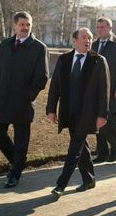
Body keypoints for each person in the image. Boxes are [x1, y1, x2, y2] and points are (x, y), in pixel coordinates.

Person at [0, 11, 49, 189]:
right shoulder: (5, 45)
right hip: (2, 99)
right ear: (14, 26)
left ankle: (15, 174)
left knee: (21, 141)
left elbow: (41, 78)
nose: (25, 28)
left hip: (23, 103)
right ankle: (17, 162)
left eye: (28, 25)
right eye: (22, 24)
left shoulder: (39, 48)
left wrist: (28, 97)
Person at [46, 28, 110, 197]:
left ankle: (61, 184)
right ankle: (89, 179)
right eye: (84, 38)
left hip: (88, 113)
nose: (88, 41)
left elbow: (104, 90)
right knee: (81, 146)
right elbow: (55, 87)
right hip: (69, 112)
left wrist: (102, 115)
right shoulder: (64, 59)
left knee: (74, 149)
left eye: (90, 38)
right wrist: (51, 109)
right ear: (75, 40)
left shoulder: (98, 61)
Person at [92, 17, 116, 163]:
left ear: (110, 28)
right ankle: (102, 152)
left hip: (113, 89)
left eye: (102, 27)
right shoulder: (94, 45)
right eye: (97, 27)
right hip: (96, 91)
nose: (99, 30)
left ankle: (115, 149)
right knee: (97, 120)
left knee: (110, 121)